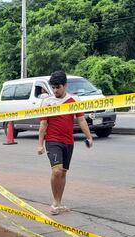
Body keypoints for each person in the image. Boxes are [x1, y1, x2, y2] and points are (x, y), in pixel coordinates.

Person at [37, 70, 94, 215]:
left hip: (68, 142)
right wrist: (40, 144)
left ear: (65, 85)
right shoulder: (47, 102)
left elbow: (81, 120)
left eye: (58, 87)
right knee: (56, 171)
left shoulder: (74, 100)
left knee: (62, 173)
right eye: (53, 88)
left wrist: (89, 137)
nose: (55, 90)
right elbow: (43, 124)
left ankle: (58, 202)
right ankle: (55, 202)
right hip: (52, 141)